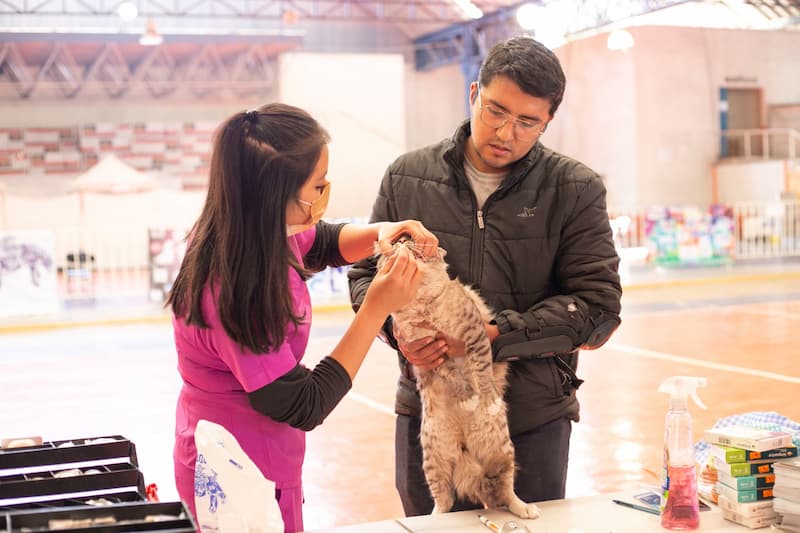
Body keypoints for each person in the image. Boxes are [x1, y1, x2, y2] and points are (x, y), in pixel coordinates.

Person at [348, 36, 622, 516]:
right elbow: (365, 277)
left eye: (527, 122)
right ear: (473, 92)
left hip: (530, 420)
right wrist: (398, 333)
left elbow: (597, 309)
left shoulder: (574, 189)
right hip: (429, 411)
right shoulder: (406, 177)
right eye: (495, 111)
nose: (506, 132)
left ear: (548, 122)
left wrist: (492, 338)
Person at [167, 103, 437, 533]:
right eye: (317, 187)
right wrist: (376, 307)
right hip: (238, 475)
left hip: (258, 459)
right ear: (274, 194)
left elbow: (323, 241)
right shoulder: (236, 285)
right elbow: (302, 403)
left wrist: (378, 232)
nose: (323, 197)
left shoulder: (253, 227)